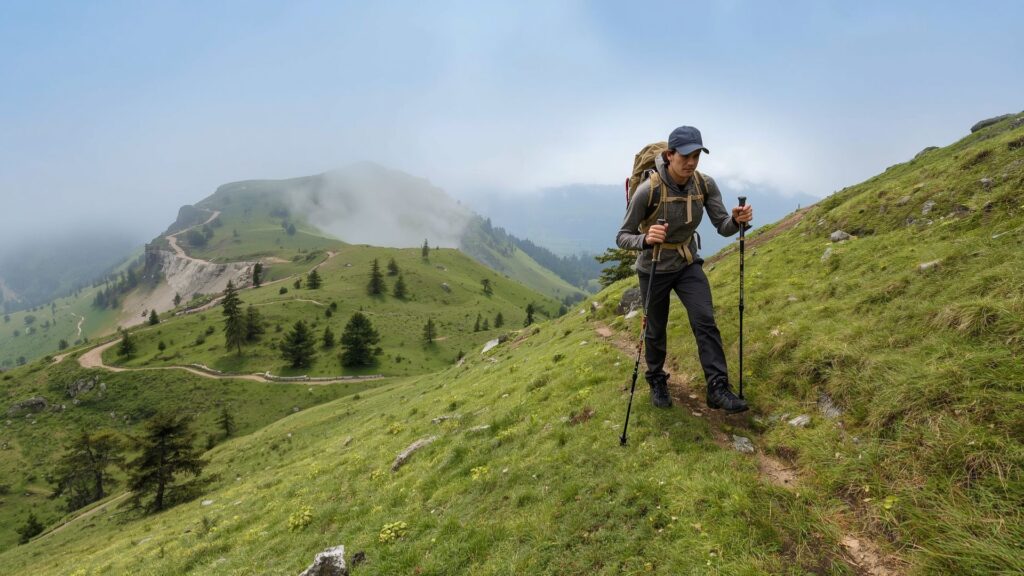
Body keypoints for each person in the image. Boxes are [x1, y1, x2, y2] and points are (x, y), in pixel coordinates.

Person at [616, 126, 753, 413]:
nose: (691, 162)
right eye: (685, 156)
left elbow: (722, 226)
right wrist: (645, 238)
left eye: (696, 155)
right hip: (653, 266)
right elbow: (622, 236)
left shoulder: (704, 185)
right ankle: (656, 379)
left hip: (687, 262)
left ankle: (717, 387)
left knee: (705, 320)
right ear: (669, 155)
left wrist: (737, 221)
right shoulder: (648, 190)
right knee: (655, 330)